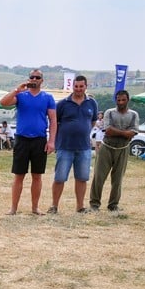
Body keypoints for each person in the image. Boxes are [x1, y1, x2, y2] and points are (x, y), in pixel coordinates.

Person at [0, 69, 57, 215]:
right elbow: (3, 102)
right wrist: (16, 90)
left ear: (41, 80)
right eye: (32, 77)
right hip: (22, 139)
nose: (34, 79)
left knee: (37, 175)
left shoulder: (48, 97)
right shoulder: (21, 96)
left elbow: (53, 120)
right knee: (19, 175)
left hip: (39, 140)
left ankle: (35, 207)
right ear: (28, 79)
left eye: (37, 77)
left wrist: (51, 141)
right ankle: (13, 208)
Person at [49, 75, 97, 214]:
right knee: (60, 178)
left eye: (81, 86)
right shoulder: (63, 104)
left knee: (82, 178)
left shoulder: (92, 103)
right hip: (65, 146)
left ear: (86, 86)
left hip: (84, 148)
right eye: (76, 86)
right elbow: (54, 123)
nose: (78, 89)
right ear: (72, 87)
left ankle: (80, 206)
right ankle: (54, 206)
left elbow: (93, 122)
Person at [89, 90, 139, 213]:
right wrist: (125, 132)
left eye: (123, 100)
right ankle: (94, 204)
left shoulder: (133, 115)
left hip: (123, 149)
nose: (121, 102)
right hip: (107, 147)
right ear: (115, 100)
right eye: (118, 100)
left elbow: (133, 132)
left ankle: (113, 205)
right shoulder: (109, 113)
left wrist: (120, 132)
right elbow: (108, 130)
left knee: (118, 179)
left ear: (128, 100)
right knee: (99, 177)